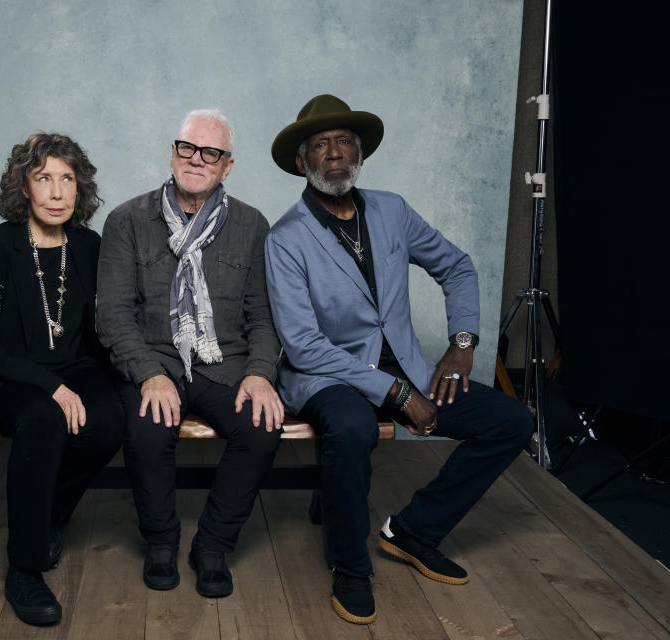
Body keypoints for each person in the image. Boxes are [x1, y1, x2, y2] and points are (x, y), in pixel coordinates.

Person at [265, 95, 533, 624]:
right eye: (320, 145)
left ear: (359, 153)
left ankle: (413, 531)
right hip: (327, 376)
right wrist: (396, 394)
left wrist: (461, 344)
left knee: (511, 421)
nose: (334, 153)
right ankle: (350, 566)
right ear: (302, 162)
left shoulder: (393, 210)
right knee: (351, 428)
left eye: (344, 141)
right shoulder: (285, 238)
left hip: (407, 367)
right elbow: (302, 346)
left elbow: (457, 267)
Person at [96, 109, 284, 598]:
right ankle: (161, 542)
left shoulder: (251, 224)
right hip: (153, 361)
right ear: (173, 152)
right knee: (146, 428)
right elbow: (113, 315)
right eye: (187, 148)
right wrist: (147, 375)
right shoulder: (126, 220)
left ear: (227, 166)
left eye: (211, 153)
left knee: (262, 428)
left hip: (227, 366)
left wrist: (261, 373)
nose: (196, 159)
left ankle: (214, 546)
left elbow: (264, 316)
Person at [0, 133, 123, 627]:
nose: (57, 192)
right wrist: (51, 387)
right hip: (7, 375)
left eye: (67, 179)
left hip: (76, 368)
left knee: (112, 421)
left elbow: (98, 330)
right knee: (45, 419)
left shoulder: (89, 245)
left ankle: (48, 516)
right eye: (44, 178)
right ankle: (24, 568)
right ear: (24, 186)